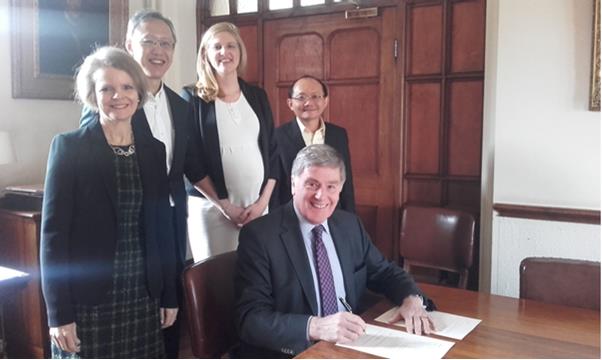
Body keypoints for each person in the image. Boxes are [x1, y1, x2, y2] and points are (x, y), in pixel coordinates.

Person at [80, 10, 206, 357]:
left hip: (171, 228)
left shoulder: (182, 107)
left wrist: (225, 204)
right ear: (129, 45)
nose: (158, 50)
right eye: (148, 41)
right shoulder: (109, 103)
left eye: (165, 43)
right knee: (129, 326)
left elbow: (190, 166)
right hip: (127, 233)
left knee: (169, 314)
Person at [235, 144, 434, 358]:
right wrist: (316, 327)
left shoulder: (349, 226)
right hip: (297, 352)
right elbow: (250, 320)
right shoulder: (260, 236)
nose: (321, 196)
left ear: (340, 188)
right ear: (294, 184)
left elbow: (385, 272)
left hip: (350, 346)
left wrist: (411, 298)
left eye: (331, 186)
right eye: (312, 184)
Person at [41, 46, 177, 358]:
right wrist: (59, 314)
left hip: (143, 297)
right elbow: (53, 238)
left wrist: (169, 293)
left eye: (127, 87)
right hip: (88, 300)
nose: (119, 96)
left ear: (139, 93)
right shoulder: (69, 148)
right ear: (93, 94)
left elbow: (162, 230)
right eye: (107, 88)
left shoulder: (154, 151)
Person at [181, 22, 278, 261]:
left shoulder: (257, 95)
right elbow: (190, 161)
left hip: (257, 208)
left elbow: (273, 151)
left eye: (230, 45)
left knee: (257, 275)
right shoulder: (192, 98)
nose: (225, 52)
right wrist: (224, 205)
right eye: (217, 47)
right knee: (216, 283)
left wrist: (262, 203)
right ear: (206, 55)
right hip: (212, 210)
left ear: (240, 51)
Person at [271, 75, 355, 213]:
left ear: (325, 101)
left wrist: (349, 218)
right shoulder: (277, 137)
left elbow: (346, 182)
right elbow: (275, 188)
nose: (308, 103)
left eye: (315, 96)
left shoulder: (338, 135)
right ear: (290, 103)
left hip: (332, 213)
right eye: (301, 97)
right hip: (292, 217)